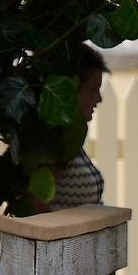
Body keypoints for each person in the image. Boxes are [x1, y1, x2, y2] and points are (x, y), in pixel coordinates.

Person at [46, 46, 108, 210]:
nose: (99, 98)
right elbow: (36, 213)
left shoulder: (70, 138)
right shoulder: (52, 145)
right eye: (94, 88)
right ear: (71, 88)